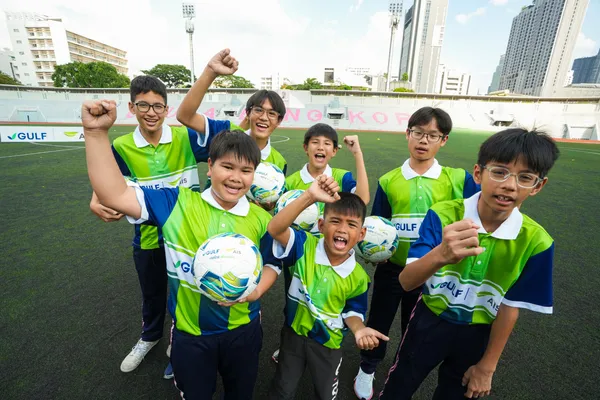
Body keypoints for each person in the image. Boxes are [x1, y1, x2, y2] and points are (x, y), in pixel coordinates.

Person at [82, 98, 281, 399]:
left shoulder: (262, 219)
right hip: (191, 336)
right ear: (210, 167)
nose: (235, 177)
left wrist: (256, 292)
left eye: (246, 170)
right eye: (227, 166)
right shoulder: (176, 203)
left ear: (254, 174)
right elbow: (115, 195)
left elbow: (272, 263)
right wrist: (95, 133)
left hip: (244, 330)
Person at [378, 128, 559, 399]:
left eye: (525, 177)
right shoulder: (442, 215)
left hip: (479, 332)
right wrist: (441, 254)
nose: (510, 185)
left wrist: (488, 366)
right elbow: (406, 281)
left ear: (538, 186)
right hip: (429, 319)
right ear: (478, 173)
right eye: (499, 172)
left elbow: (509, 308)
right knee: (399, 385)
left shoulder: (537, 242)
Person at [88, 75, 227, 377]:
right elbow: (110, 181)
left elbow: (226, 149)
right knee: (152, 293)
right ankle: (149, 337)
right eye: (143, 105)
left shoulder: (186, 137)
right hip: (149, 238)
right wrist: (96, 197)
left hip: (189, 237)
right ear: (131, 107)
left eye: (157, 106)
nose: (151, 112)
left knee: (188, 295)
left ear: (167, 109)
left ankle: (179, 344)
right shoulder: (122, 146)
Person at [354, 107, 480, 399]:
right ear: (407, 134)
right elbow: (379, 222)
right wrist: (373, 250)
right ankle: (368, 367)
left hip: (434, 272)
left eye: (432, 135)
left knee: (415, 328)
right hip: (393, 269)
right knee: (379, 319)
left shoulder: (458, 179)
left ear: (443, 140)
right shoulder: (388, 180)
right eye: (418, 133)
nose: (423, 140)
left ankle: (398, 368)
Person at [266, 178, 388, 400]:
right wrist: (309, 196)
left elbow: (353, 312)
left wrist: (359, 329)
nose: (342, 229)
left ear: (361, 234)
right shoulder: (304, 246)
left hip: (328, 344)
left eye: (351, 224)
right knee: (283, 389)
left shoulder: (358, 277)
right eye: (335, 221)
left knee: (325, 394)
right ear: (321, 225)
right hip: (293, 335)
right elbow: (275, 228)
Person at [177, 48, 288, 203]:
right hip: (209, 214)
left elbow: (273, 201)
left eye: (272, 113)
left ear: (279, 120)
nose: (264, 118)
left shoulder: (279, 162)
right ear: (248, 113)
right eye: (258, 110)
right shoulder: (226, 132)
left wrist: (266, 205)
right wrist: (210, 71)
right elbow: (185, 116)